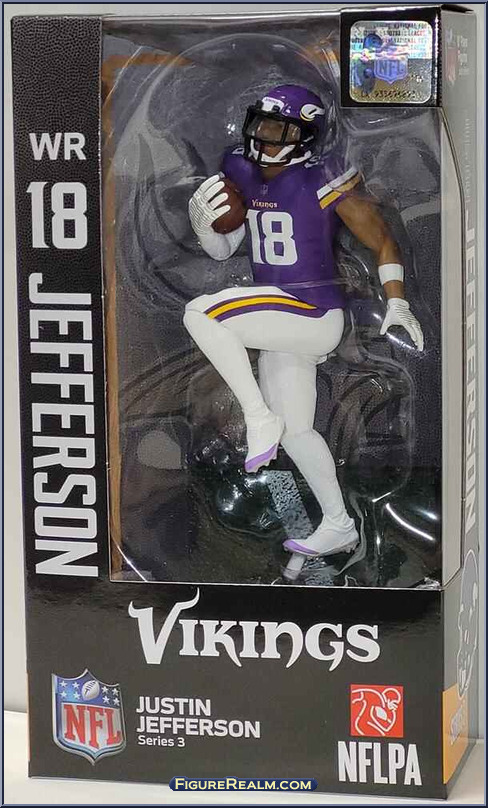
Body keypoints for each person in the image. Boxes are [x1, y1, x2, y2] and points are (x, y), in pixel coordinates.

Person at [184, 84, 423, 559]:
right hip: (278, 318)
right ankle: (340, 525)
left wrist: (397, 302)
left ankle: (258, 417)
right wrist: (204, 228)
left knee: (201, 313)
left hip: (312, 311)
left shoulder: (323, 178)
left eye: (280, 129)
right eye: (262, 125)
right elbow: (226, 250)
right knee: (296, 431)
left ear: (306, 135)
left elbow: (381, 240)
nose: (266, 137)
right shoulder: (240, 170)